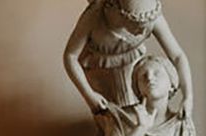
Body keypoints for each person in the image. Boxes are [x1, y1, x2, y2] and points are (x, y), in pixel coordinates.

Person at [64, 0, 192, 116]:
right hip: (102, 80)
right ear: (123, 16)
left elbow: (177, 56)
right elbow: (70, 56)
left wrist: (188, 96)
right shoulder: (95, 17)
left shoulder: (151, 15)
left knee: (140, 122)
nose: (143, 33)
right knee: (112, 128)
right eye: (139, 27)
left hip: (135, 78)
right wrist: (89, 95)